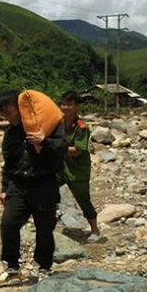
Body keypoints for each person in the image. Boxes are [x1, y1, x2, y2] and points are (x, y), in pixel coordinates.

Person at [0, 90, 66, 282]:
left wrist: (44, 141)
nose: (7, 117)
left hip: (44, 184)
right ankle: (11, 266)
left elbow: (62, 148)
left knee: (44, 228)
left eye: (9, 112)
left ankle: (43, 266)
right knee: (8, 224)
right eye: (3, 115)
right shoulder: (10, 133)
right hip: (18, 185)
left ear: (20, 109)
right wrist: (4, 188)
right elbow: (8, 163)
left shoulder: (46, 127)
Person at [59, 91, 100, 240]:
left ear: (76, 107)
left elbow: (77, 151)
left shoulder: (81, 127)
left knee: (82, 198)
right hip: (61, 166)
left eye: (69, 104)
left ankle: (95, 229)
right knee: (46, 187)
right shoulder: (57, 122)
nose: (66, 107)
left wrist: (57, 147)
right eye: (63, 104)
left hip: (78, 169)